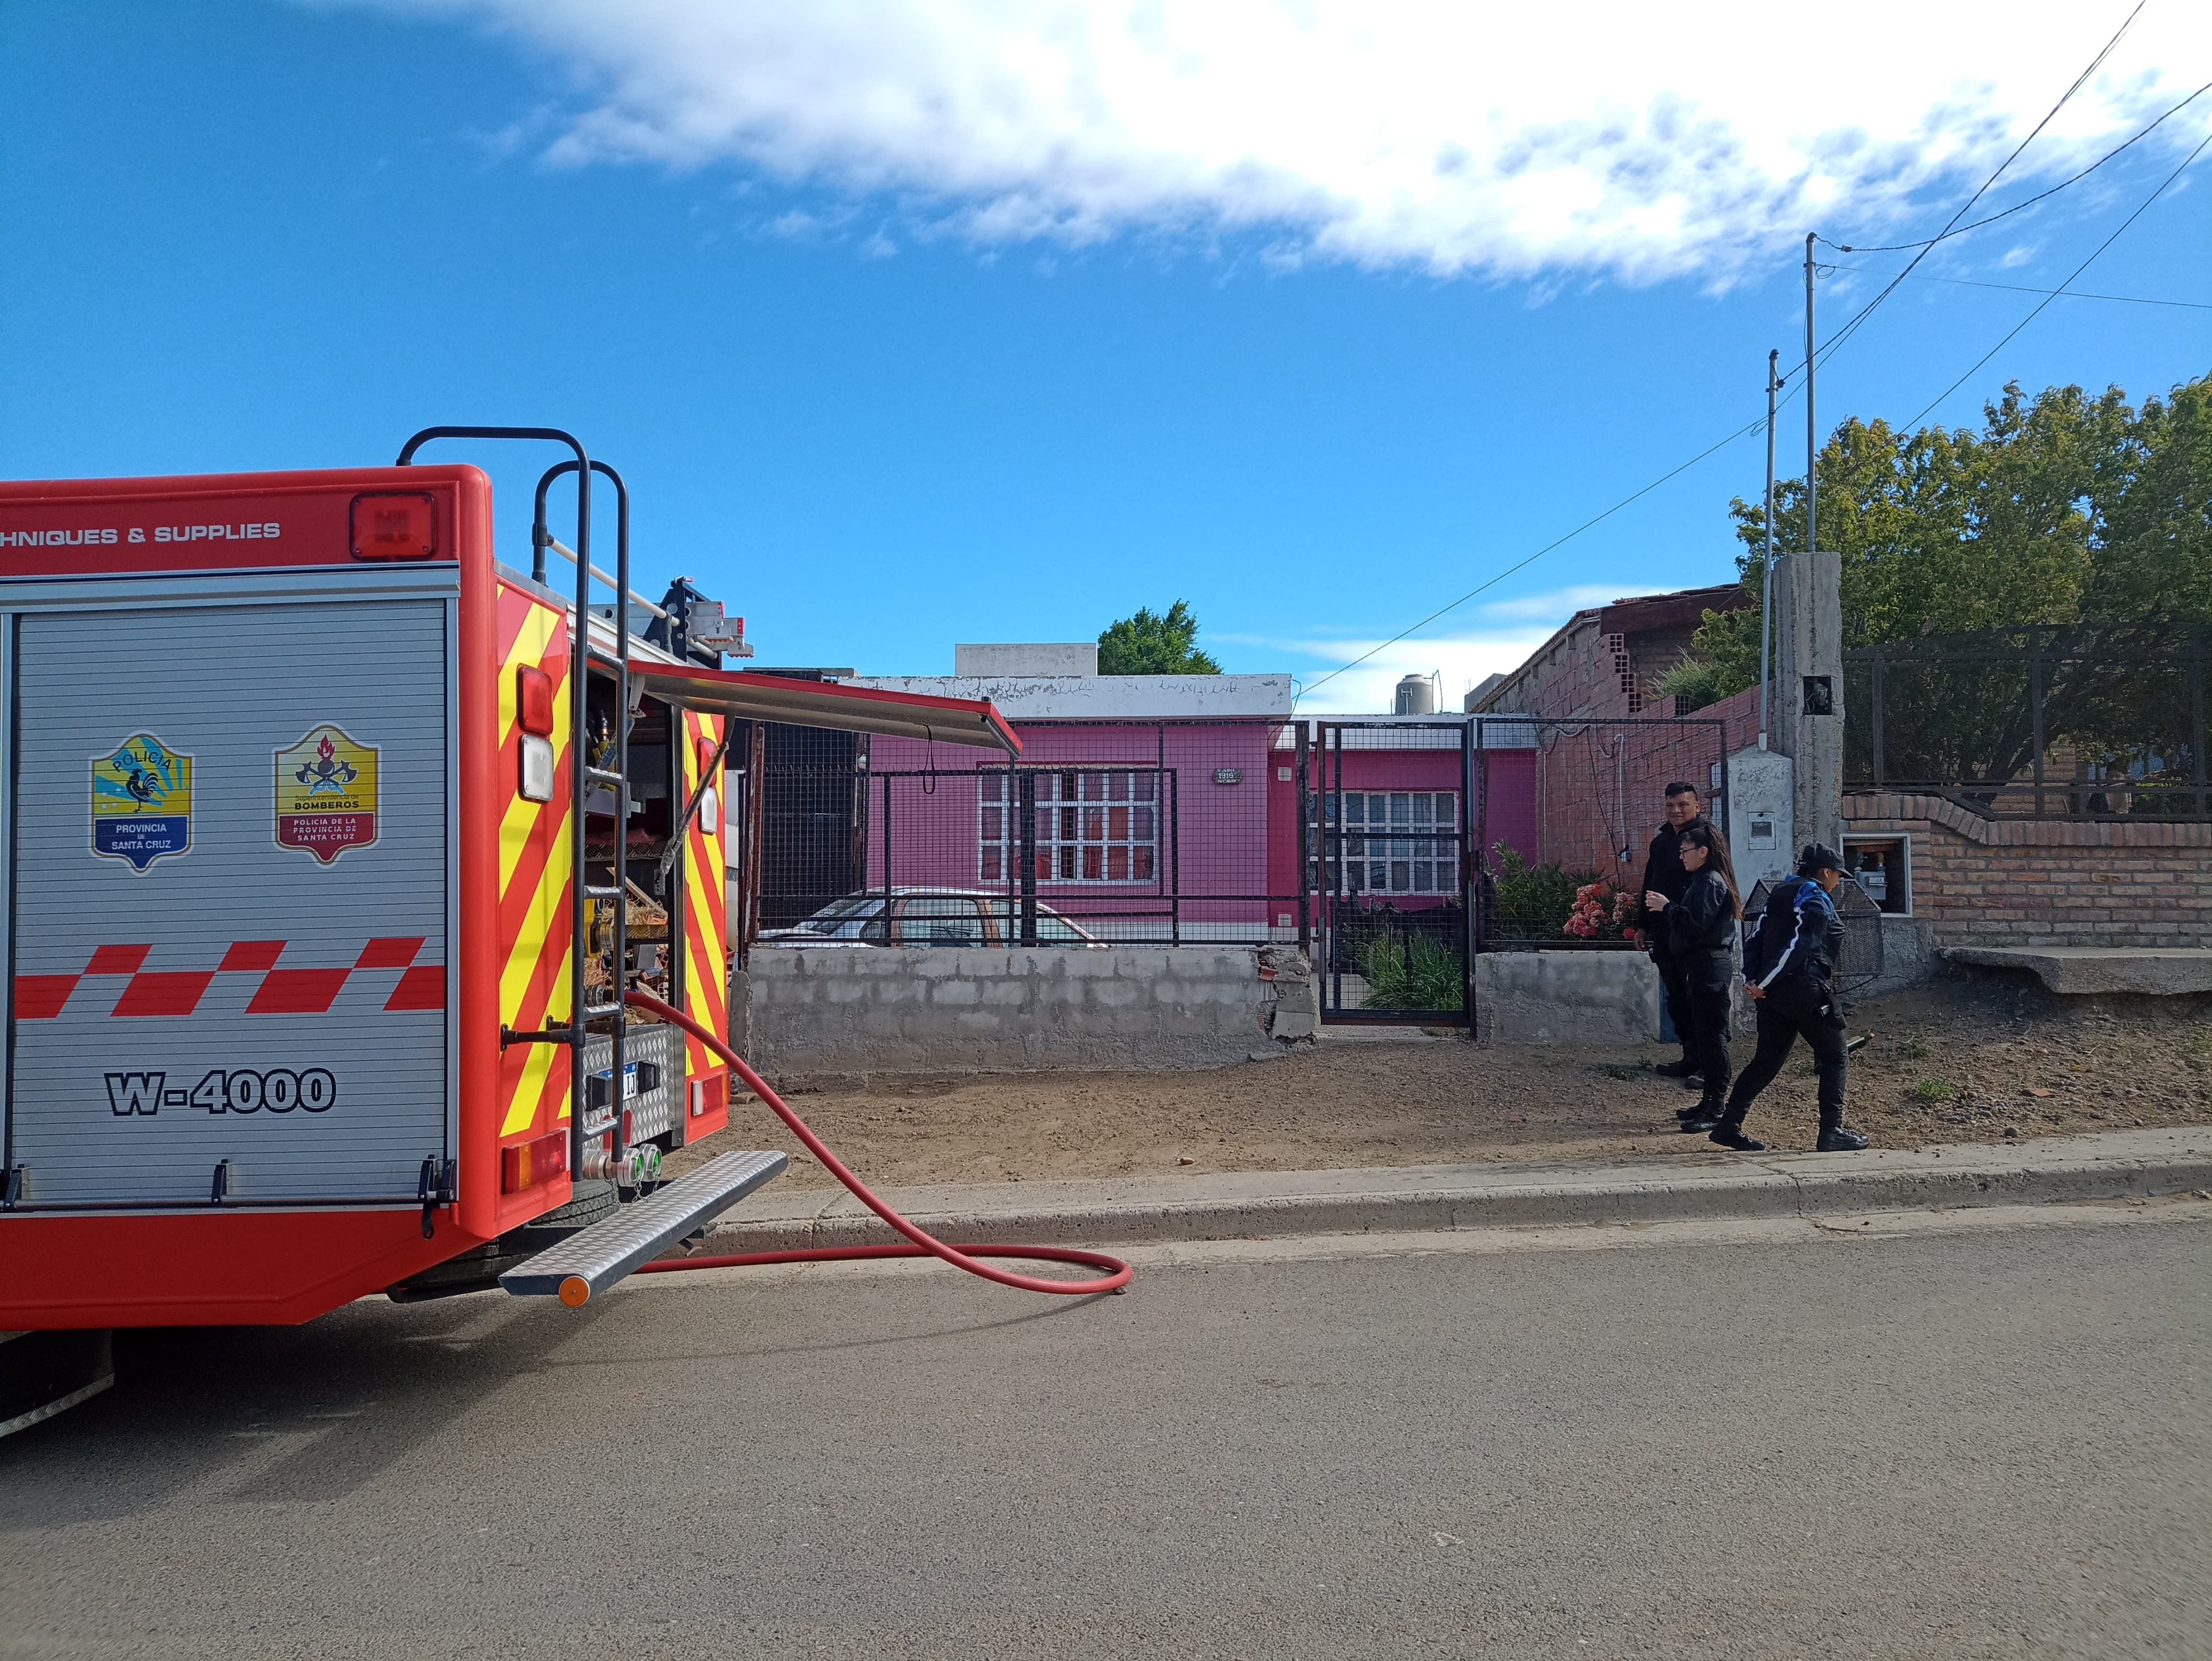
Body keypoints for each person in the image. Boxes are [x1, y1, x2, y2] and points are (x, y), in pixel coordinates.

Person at [1686, 842, 1871, 1153]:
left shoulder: (1780, 893)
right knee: (1836, 1056)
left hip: (1772, 995)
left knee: (1766, 1062)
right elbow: (1803, 944)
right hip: (1805, 991)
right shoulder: (1815, 896)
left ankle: (1729, 1125)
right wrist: (1765, 981)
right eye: (1838, 874)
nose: (1839, 881)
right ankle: (1832, 1131)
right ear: (1826, 871)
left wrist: (1754, 980)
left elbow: (1756, 937)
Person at [1639, 822, 1739, 1129]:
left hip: (1711, 967)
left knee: (1714, 1038)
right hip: (1701, 967)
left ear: (1703, 852)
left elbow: (1696, 924)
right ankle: (1708, 1102)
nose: (1682, 857)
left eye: (1686, 851)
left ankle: (1718, 1107)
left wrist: (1667, 907)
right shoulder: (1702, 880)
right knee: (1706, 1036)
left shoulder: (1710, 881)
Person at [1637, 781, 1712, 1088]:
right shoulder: (1661, 842)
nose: (1676, 811)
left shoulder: (1708, 839)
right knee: (1677, 998)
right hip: (1665, 930)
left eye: (1683, 805)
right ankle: (1690, 1058)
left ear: (1697, 806)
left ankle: (1710, 1066)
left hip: (1694, 930)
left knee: (1702, 1000)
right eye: (1670, 805)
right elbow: (1649, 883)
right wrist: (1642, 924)